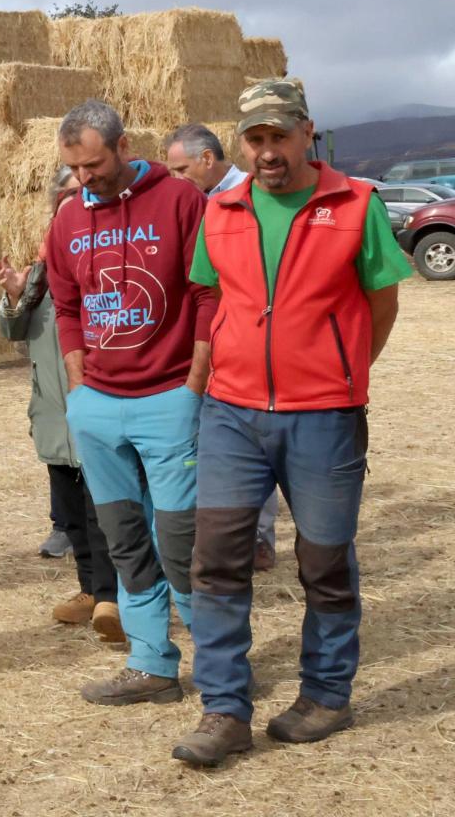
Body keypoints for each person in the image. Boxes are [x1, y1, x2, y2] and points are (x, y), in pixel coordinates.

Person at [172, 79, 411, 766]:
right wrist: (207, 383)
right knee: (216, 561)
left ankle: (327, 695)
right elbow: (215, 301)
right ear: (241, 141)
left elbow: (381, 303)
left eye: (280, 136)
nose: (268, 152)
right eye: (256, 139)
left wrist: (342, 374)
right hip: (231, 414)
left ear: (308, 132)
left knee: (324, 563)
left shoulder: (355, 203)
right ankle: (224, 711)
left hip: (324, 418)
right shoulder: (221, 211)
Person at [45, 100, 217, 706]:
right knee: (124, 541)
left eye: (94, 164)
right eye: (75, 168)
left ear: (123, 147)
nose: (85, 178)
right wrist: (79, 388)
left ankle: (220, 667)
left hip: (170, 397)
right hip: (98, 408)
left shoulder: (178, 200)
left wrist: (194, 386)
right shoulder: (67, 217)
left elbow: (207, 294)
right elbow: (65, 306)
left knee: (180, 542)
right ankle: (152, 665)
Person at [0, 166, 123, 644]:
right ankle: (90, 590)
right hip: (54, 416)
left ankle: (113, 597)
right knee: (72, 517)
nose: (74, 200)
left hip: (99, 408)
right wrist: (14, 294)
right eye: (65, 195)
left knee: (102, 511)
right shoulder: (42, 271)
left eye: (82, 192)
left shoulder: (108, 256)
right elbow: (13, 331)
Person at [165, 123, 278, 573]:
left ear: (207, 160)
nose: (175, 178)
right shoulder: (191, 204)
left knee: (260, 444)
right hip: (211, 340)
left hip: (251, 343)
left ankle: (259, 538)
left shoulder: (253, 197)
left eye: (180, 168)